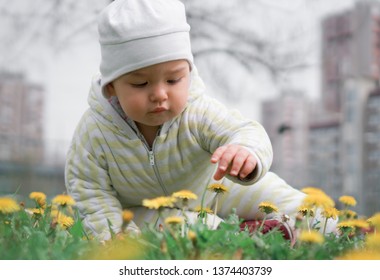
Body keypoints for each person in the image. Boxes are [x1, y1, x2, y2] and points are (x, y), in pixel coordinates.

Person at [65, 0, 312, 241]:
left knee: (287, 200)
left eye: (173, 80)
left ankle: (330, 227)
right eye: (141, 84)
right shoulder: (95, 131)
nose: (160, 94)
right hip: (145, 209)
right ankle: (247, 236)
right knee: (185, 226)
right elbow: (89, 190)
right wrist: (112, 235)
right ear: (111, 88)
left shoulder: (197, 111)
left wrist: (244, 152)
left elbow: (243, 130)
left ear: (189, 74)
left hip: (215, 189)